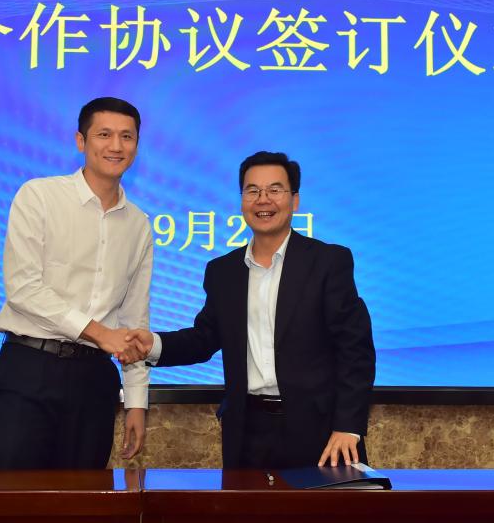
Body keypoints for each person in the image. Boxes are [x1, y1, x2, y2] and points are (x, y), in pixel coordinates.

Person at [124, 151, 375, 469]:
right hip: (248, 433)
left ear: (295, 200)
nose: (263, 199)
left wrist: (348, 426)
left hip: (321, 432)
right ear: (242, 200)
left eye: (275, 190)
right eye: (252, 190)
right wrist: (153, 344)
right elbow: (204, 338)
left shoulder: (328, 262)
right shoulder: (223, 271)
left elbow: (356, 350)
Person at [0, 97, 151, 469]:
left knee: (83, 496)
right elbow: (23, 289)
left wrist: (136, 402)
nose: (116, 145)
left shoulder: (139, 224)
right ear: (81, 141)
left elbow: (135, 318)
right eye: (104, 134)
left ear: (137, 146)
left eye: (126, 136)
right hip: (30, 369)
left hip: (94, 381)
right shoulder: (39, 196)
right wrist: (99, 332)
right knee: (13, 495)